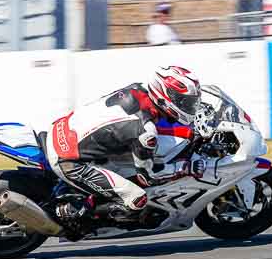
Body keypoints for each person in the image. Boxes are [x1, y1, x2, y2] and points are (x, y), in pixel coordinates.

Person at [45, 66, 201, 230]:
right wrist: (185, 168)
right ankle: (78, 217)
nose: (189, 107)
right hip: (69, 161)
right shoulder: (145, 132)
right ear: (166, 97)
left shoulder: (136, 89)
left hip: (62, 129)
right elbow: (148, 177)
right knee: (137, 199)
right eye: (185, 102)